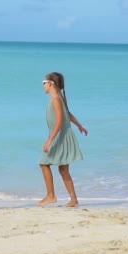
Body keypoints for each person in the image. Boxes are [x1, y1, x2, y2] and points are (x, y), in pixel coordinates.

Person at [38, 72, 88, 207]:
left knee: (44, 164)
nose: (43, 86)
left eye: (44, 83)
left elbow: (60, 121)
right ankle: (74, 200)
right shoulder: (58, 97)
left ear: (50, 83)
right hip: (63, 135)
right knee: (63, 169)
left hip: (59, 136)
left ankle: (51, 196)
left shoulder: (56, 98)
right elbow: (68, 114)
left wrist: (49, 140)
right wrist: (80, 126)